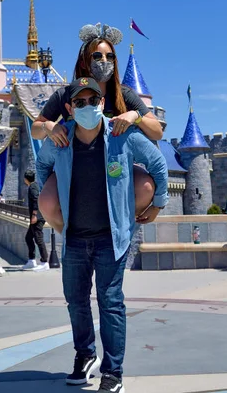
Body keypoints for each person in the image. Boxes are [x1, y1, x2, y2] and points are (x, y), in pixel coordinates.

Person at [37, 77, 169, 392]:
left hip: (112, 237)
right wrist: (52, 203)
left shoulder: (121, 135)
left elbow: (158, 165)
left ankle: (113, 372)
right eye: (78, 103)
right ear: (69, 108)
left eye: (92, 101)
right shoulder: (61, 138)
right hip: (75, 238)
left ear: (101, 104)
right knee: (76, 301)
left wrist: (158, 204)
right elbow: (43, 168)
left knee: (110, 302)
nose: (86, 107)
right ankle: (84, 356)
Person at [32, 23, 163, 235]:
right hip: (76, 169)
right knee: (46, 201)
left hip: (114, 169)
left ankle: (118, 229)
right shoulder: (67, 95)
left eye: (110, 57)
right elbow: (35, 129)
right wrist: (48, 127)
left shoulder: (124, 95)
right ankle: (70, 238)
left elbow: (157, 131)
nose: (104, 61)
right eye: (98, 56)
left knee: (145, 186)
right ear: (85, 60)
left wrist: (135, 116)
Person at [23, 169, 49, 271]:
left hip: (37, 218)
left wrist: (34, 215)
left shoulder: (33, 187)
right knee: (28, 238)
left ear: (26, 179)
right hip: (36, 217)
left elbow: (36, 199)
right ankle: (31, 260)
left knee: (38, 239)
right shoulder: (34, 186)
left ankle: (44, 261)